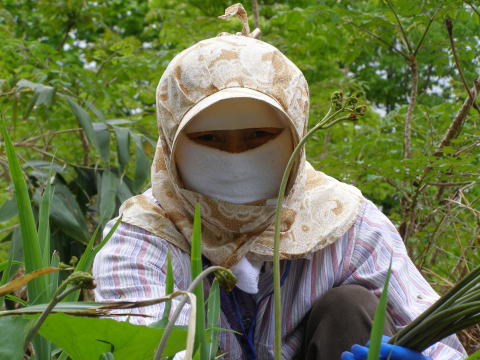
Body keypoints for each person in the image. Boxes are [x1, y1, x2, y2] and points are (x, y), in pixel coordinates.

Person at [92, 21, 467, 360]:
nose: (236, 157)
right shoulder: (143, 238)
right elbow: (146, 341)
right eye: (210, 138)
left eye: (258, 135)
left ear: (295, 136)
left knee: (352, 306)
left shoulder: (344, 223)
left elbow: (434, 335)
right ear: (172, 143)